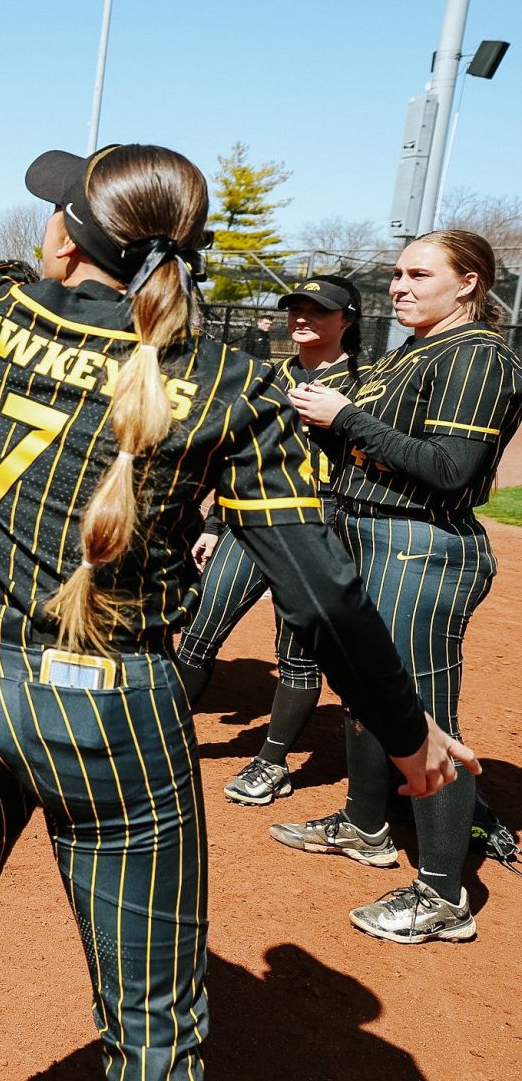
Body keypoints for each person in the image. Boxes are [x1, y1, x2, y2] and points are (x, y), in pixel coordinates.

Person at [0, 55, 478, 1079]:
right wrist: (408, 734)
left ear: (71, 237)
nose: (44, 216)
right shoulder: (226, 375)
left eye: (55, 205)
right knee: (155, 1032)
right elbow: (320, 587)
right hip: (112, 704)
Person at [272, 229, 522, 944]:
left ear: (469, 283)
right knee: (367, 693)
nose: (401, 285)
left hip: (420, 544)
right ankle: (365, 823)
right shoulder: (411, 350)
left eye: (420, 273)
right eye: (399, 273)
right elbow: (367, 445)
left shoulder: (479, 355)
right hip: (365, 533)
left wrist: (345, 416)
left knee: (425, 715)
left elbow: (449, 469)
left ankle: (445, 896)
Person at [177, 275, 363, 805]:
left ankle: (272, 761)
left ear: (346, 321)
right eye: (296, 309)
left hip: (318, 527)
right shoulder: (266, 375)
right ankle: (161, 736)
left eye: (319, 311)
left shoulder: (366, 381)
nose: (303, 318)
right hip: (247, 519)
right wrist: (213, 524)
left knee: (297, 655)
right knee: (199, 629)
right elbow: (232, 456)